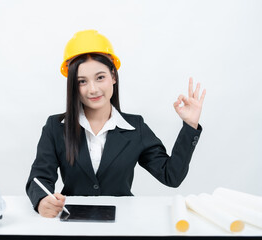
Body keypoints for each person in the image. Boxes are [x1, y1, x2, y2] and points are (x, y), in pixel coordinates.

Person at [26, 30, 206, 218]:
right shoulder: (56, 127)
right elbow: (39, 178)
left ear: (113, 76)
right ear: (72, 85)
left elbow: (171, 176)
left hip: (123, 223)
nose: (93, 89)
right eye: (82, 81)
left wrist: (190, 126)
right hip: (73, 221)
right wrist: (41, 201)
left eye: (100, 77)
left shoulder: (136, 128)